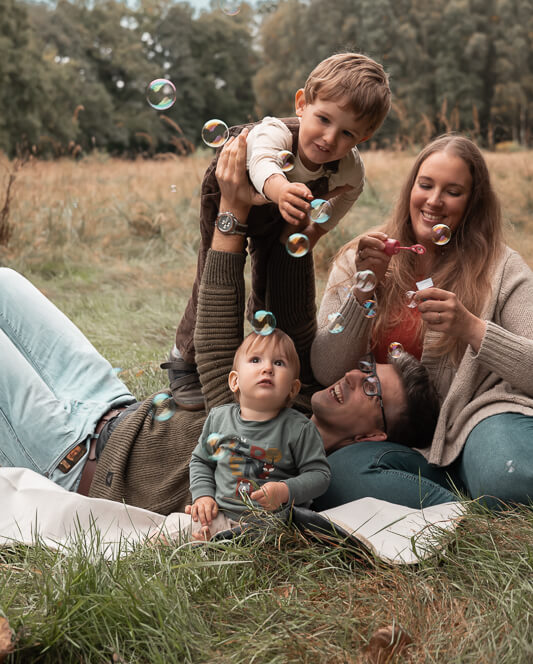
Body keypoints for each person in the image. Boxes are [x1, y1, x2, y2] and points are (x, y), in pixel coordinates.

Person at [0, 132, 438, 516]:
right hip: (111, 406)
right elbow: (290, 322)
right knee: (5, 283)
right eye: (365, 369)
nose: (352, 378)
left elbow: (215, 354)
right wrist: (295, 228)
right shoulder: (303, 396)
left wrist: (230, 212)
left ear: (372, 435)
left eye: (372, 388)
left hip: (73, 457)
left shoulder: (280, 457)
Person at [311, 133, 533, 511]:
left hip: (477, 417)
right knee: (336, 475)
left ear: (472, 203)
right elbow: (326, 368)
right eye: (425, 185)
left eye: (453, 191)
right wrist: (363, 293)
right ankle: (456, 505)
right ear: (411, 187)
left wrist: (471, 328)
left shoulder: (501, 268)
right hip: (389, 436)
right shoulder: (361, 258)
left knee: (508, 477)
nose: (434, 201)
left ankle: (472, 476)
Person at [166, 53, 391, 406]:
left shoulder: (349, 168)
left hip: (284, 207)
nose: (329, 139)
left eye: (347, 132)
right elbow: (261, 163)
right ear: (302, 104)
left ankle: (266, 347)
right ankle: (186, 357)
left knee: (276, 274)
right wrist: (281, 190)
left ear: (365, 135)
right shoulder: (275, 132)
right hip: (236, 186)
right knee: (215, 271)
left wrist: (318, 229)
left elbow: (349, 194)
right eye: (324, 119)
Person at [186, 329, 331, 540]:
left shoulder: (299, 429)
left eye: (279, 363)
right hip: (221, 513)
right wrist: (203, 496)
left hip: (274, 524)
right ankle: (210, 539)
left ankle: (216, 543)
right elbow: (201, 461)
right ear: (234, 381)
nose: (267, 368)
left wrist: (284, 490)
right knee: (174, 527)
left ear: (293, 388)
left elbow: (320, 475)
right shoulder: (219, 419)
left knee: (279, 540)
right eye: (255, 360)